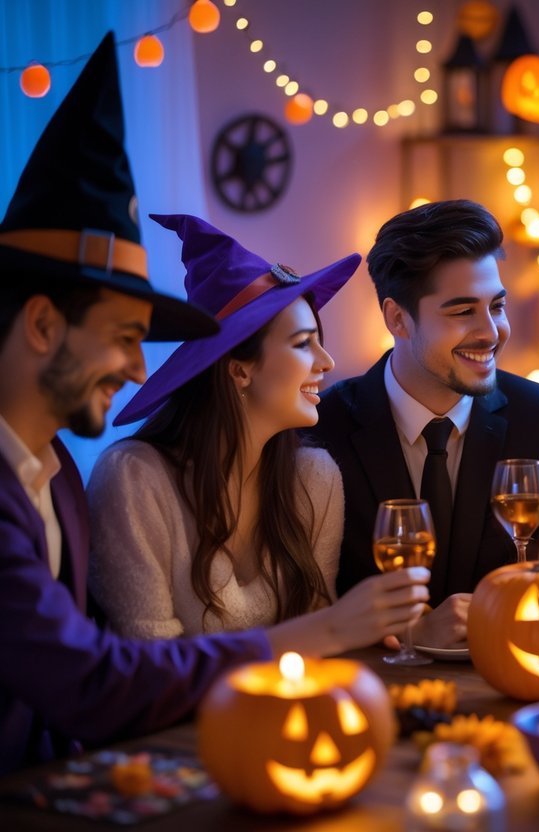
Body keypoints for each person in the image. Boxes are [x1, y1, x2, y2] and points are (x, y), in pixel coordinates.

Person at [0, 33, 427, 774]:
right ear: (42, 324)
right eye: (124, 336)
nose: (139, 368)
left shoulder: (55, 474)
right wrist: (324, 631)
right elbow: (93, 686)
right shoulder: (104, 480)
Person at [88, 213, 423, 649]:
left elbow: (319, 642)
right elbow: (152, 669)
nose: (327, 363)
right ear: (239, 370)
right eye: (304, 344)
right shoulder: (135, 480)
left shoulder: (315, 479)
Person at [308, 199, 539, 648]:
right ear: (397, 318)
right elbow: (310, 608)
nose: (491, 331)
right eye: (462, 312)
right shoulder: (322, 430)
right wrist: (408, 633)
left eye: (496, 306)